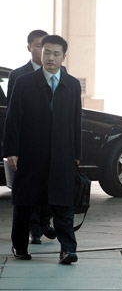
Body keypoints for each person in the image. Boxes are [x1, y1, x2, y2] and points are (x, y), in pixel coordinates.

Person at [3, 35, 82, 264]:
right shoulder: (25, 82)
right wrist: (11, 150)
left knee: (63, 203)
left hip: (62, 155)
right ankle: (20, 246)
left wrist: (76, 153)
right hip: (30, 153)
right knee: (25, 202)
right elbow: (13, 119)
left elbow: (76, 121)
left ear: (63, 57)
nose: (50, 57)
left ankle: (68, 249)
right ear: (40, 52)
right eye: (46, 52)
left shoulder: (72, 84)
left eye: (56, 54)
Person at [6, 29, 57, 245]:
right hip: (28, 145)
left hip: (52, 145)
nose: (46, 53)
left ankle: (43, 223)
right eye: (39, 46)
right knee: (27, 191)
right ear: (30, 48)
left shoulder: (59, 73)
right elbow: (13, 114)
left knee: (50, 187)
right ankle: (32, 230)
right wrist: (12, 149)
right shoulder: (18, 76)